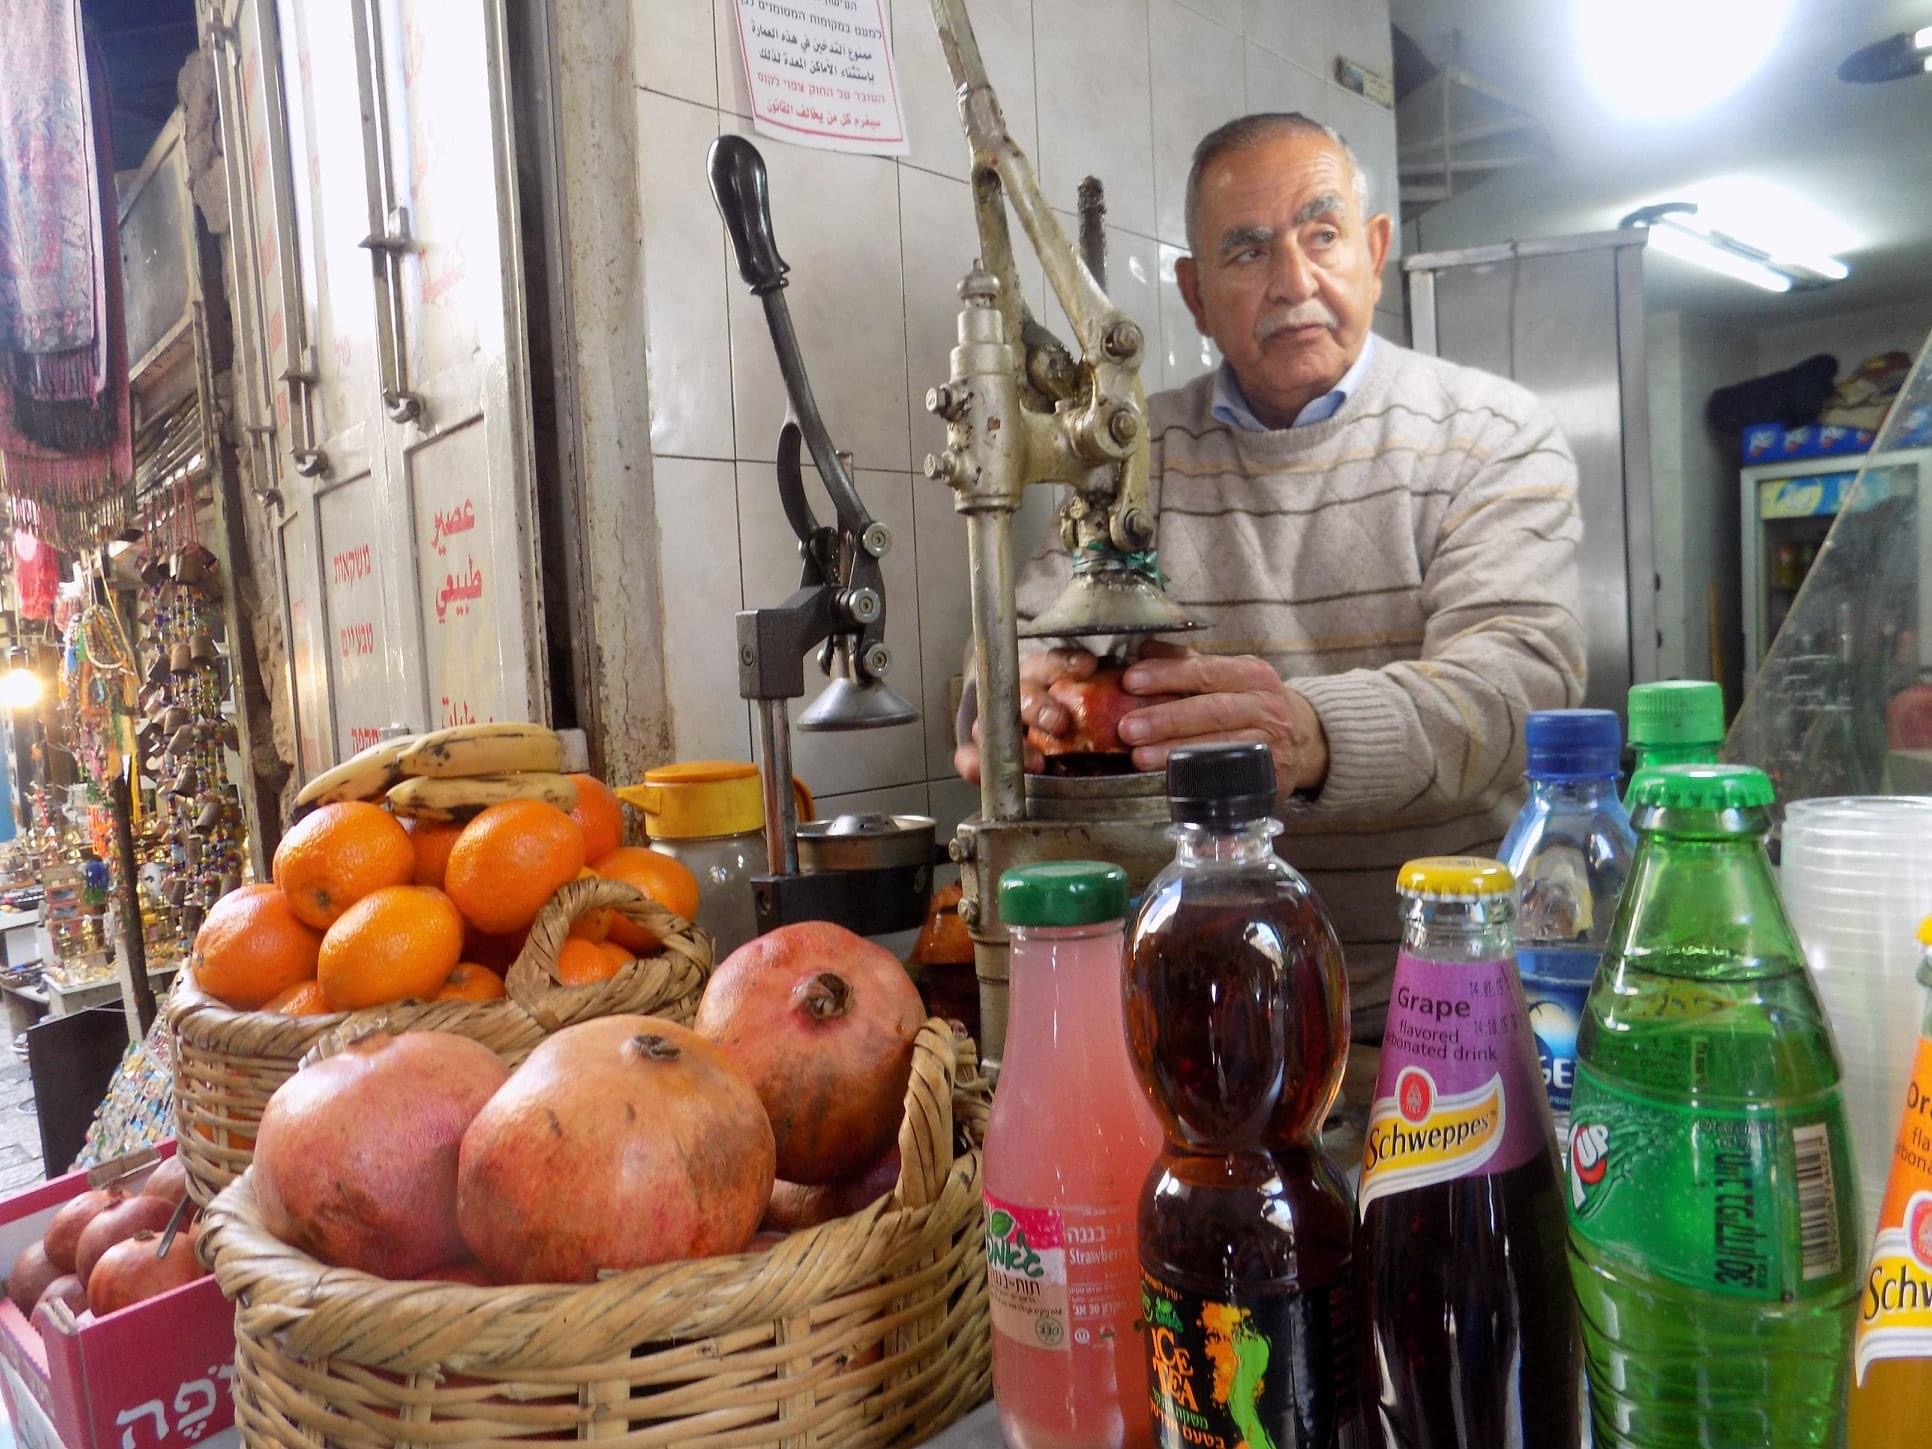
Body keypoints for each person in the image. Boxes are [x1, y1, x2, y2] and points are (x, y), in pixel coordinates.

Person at [956, 112, 1585, 1038]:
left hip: (1436, 1004)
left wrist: (1310, 734)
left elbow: (1517, 689)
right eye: (1247, 251)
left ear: (1374, 251)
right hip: (1192, 1014)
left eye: (1322, 235)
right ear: (1195, 294)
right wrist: (1010, 703)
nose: (1294, 282)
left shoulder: (1491, 433)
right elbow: (1018, 644)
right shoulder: (1136, 451)